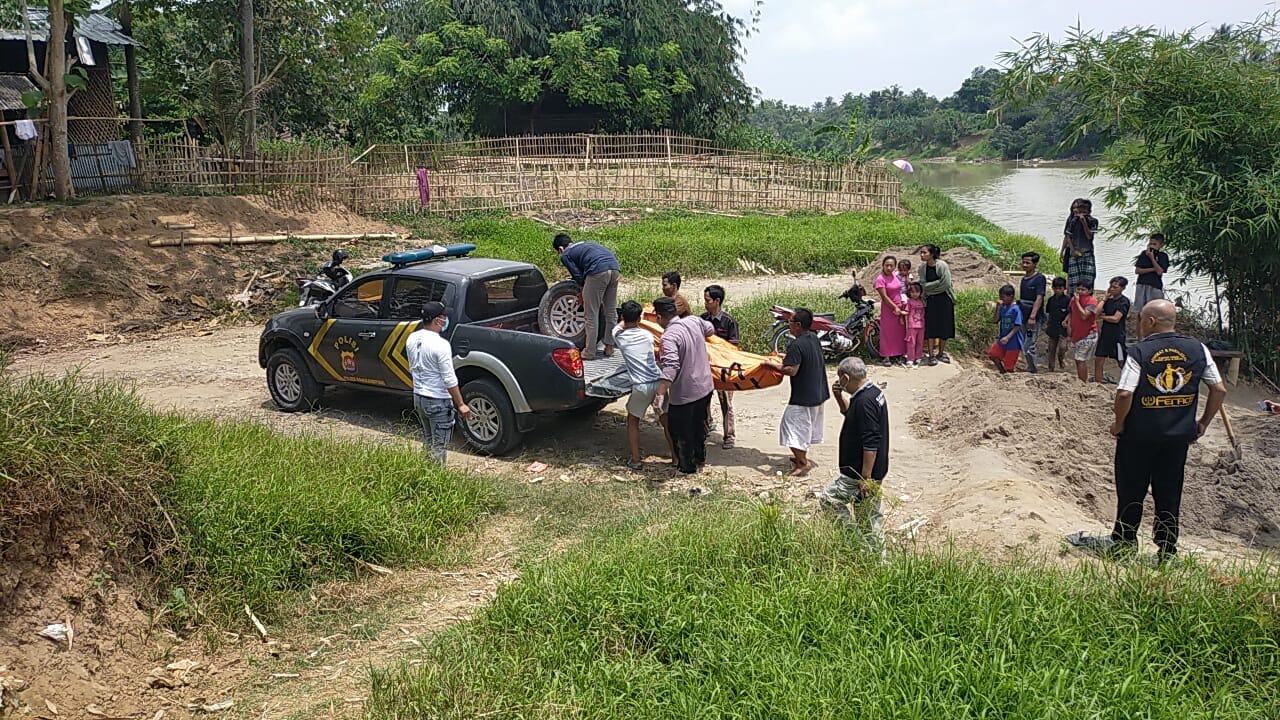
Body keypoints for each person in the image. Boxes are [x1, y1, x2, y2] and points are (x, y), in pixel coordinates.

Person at [1109, 299, 1227, 562]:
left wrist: (1119, 424)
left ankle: (1124, 545)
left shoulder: (1139, 352)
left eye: (1141, 320)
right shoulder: (1198, 349)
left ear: (1150, 321)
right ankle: (1167, 549)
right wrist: (1203, 422)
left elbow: (1125, 392)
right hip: (1177, 438)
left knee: (1131, 490)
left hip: (1138, 436)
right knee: (1169, 492)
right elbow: (1219, 389)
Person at [820, 356, 888, 549]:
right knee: (867, 515)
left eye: (840, 379)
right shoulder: (872, 394)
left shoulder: (865, 402)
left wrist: (865, 476)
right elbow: (852, 415)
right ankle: (872, 555)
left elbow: (870, 441)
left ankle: (856, 543)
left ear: (846, 378)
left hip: (859, 472)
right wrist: (839, 398)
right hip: (871, 470)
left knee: (829, 500)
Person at [764, 308, 830, 477]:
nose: (789, 325)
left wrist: (771, 365)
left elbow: (791, 370)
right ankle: (801, 456)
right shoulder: (813, 338)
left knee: (791, 428)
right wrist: (783, 356)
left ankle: (802, 461)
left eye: (790, 322)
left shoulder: (796, 344)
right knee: (804, 427)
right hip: (818, 391)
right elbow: (802, 358)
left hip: (803, 396)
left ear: (798, 325)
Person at [652, 296, 714, 474]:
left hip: (685, 393)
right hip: (705, 386)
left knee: (680, 432)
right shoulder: (694, 321)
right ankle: (700, 458)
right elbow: (710, 329)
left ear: (659, 317)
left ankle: (687, 468)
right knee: (699, 425)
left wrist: (660, 394)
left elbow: (671, 366)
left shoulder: (669, 337)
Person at [405, 301, 472, 464]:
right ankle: (435, 481)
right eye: (444, 317)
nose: (446, 320)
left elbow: (412, 367)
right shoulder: (441, 345)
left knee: (428, 440)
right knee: (439, 446)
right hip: (437, 400)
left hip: (419, 397)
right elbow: (449, 379)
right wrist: (461, 404)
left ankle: (425, 471)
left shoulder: (412, 338)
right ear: (437, 320)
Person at [613, 301, 663, 471]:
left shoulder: (619, 337)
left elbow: (618, 327)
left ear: (622, 317)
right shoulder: (648, 335)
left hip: (641, 386)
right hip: (658, 382)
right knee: (666, 421)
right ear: (640, 318)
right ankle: (676, 458)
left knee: (633, 420)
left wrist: (624, 317)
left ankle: (636, 460)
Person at [553, 233, 620, 360]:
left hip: (597, 272)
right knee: (610, 311)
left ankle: (589, 352)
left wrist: (582, 293)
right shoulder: (585, 244)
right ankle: (609, 347)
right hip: (614, 268)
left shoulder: (566, 254)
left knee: (591, 315)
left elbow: (577, 275)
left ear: (561, 249)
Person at [701, 284, 739, 449]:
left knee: (726, 403)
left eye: (708, 300)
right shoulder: (702, 319)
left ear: (717, 301)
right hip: (706, 367)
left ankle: (729, 435)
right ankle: (704, 429)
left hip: (724, 369)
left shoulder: (729, 321)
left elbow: (734, 347)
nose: (705, 303)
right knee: (703, 400)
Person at [919, 244, 956, 365]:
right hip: (930, 301)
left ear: (932, 254)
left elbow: (946, 284)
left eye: (924, 253)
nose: (922, 255)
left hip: (945, 300)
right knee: (931, 327)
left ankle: (941, 353)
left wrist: (930, 288)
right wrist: (936, 284)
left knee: (944, 327)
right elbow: (923, 285)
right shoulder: (922, 268)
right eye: (921, 253)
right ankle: (931, 355)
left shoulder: (942, 265)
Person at [1094, 276, 1132, 385]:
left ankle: (1127, 383)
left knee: (1121, 361)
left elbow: (1116, 319)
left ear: (1123, 288)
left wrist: (1104, 317)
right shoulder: (1108, 301)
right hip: (1105, 334)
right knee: (1099, 359)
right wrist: (1104, 298)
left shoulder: (1123, 301)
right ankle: (1098, 383)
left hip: (1117, 335)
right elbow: (1096, 313)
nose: (1112, 289)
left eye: (1115, 287)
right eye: (1110, 286)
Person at [873, 255, 907, 365]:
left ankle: (899, 354)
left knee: (900, 332)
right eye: (887, 265)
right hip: (889, 308)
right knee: (887, 332)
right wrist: (895, 307)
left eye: (891, 266)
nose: (889, 268)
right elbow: (884, 297)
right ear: (883, 266)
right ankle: (886, 355)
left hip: (899, 306)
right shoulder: (880, 279)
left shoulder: (895, 276)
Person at [1018, 251, 1047, 373]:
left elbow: (1039, 297)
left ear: (1035, 264)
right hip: (1023, 315)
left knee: (1029, 345)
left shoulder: (1039, 279)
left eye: (1028, 263)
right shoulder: (1024, 279)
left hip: (1033, 317)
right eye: (1023, 262)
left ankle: (1034, 369)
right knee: (1025, 343)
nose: (1024, 265)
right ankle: (1030, 367)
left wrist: (1033, 316)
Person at [1063, 198, 1099, 292]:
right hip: (1075, 253)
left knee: (1088, 280)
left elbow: (1089, 237)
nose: (1081, 213)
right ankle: (1073, 300)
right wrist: (1073, 250)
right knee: (1074, 282)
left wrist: (1084, 223)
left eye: (1084, 210)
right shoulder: (1073, 220)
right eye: (1080, 210)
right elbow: (1068, 236)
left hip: (1087, 253)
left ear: (1089, 211)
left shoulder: (1093, 221)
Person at [988, 284, 1024, 374]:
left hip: (1013, 342)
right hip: (1002, 339)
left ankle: (1008, 377)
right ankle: (1002, 372)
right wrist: (998, 308)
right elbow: (995, 320)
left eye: (1003, 297)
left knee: (1009, 366)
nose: (1001, 299)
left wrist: (1008, 337)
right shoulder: (1003, 308)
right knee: (993, 354)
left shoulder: (1016, 310)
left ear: (1011, 297)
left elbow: (1018, 325)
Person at [1068, 281, 1099, 383]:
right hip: (1077, 332)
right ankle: (1082, 379)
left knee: (1080, 359)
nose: (1080, 292)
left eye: (1083, 289)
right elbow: (1072, 313)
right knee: (1078, 360)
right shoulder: (1073, 300)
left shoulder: (1092, 301)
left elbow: (1084, 315)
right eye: (1078, 289)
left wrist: (1077, 302)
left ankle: (1083, 382)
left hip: (1088, 334)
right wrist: (1068, 323)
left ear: (1089, 291)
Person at [1133, 233, 1171, 314]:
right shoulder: (1144, 254)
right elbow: (1137, 271)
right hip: (1142, 284)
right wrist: (1153, 269)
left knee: (1155, 312)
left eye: (1154, 244)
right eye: (1150, 243)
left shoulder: (1163, 256)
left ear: (1161, 245)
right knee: (1140, 312)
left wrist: (1152, 258)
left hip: (1155, 285)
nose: (1152, 246)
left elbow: (1160, 272)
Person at [1044, 276, 1071, 372]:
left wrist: (1067, 321)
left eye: (1060, 288)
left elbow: (1070, 312)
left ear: (1064, 288)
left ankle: (1061, 359)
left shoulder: (1068, 300)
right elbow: (1048, 313)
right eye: (1055, 288)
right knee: (1051, 348)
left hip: (1063, 329)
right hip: (1053, 327)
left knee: (1063, 348)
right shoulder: (1051, 300)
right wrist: (1046, 324)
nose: (1058, 290)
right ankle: (1051, 367)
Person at [904, 282, 926, 368]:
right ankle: (910, 358)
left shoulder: (922, 301)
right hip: (912, 325)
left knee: (920, 342)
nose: (915, 294)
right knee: (911, 343)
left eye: (917, 292)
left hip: (921, 325)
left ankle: (918, 357)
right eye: (912, 292)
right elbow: (906, 311)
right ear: (909, 293)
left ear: (920, 292)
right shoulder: (909, 302)